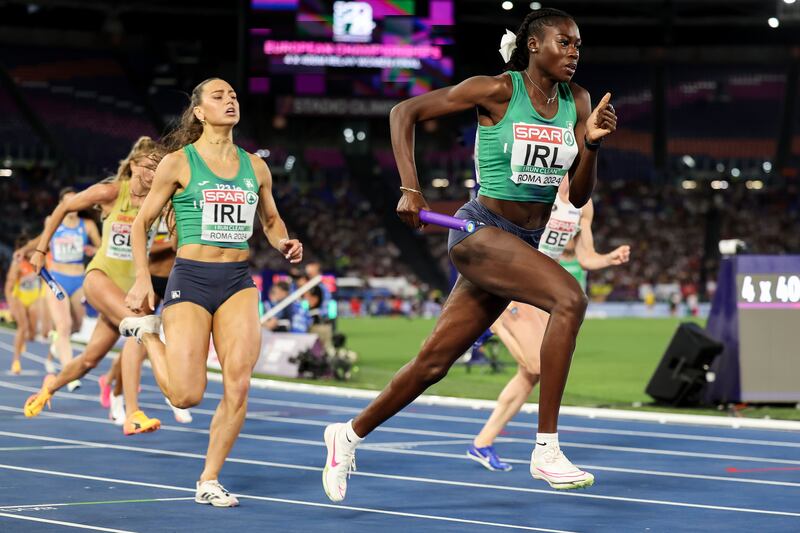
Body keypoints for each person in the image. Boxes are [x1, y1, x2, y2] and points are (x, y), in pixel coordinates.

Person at [321, 7, 616, 501]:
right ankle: (545, 449)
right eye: (563, 43)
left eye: (578, 45)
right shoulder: (498, 90)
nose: (573, 53)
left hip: (523, 242)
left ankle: (347, 435)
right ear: (533, 46)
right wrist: (410, 189)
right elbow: (403, 113)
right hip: (479, 231)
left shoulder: (579, 100)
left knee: (433, 363)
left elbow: (581, 196)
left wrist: (591, 144)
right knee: (570, 299)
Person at [118, 78, 302, 507]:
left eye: (234, 95)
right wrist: (143, 279)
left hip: (238, 282)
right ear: (199, 112)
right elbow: (141, 223)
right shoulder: (180, 163)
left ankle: (209, 478)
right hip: (192, 279)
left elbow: (271, 220)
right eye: (219, 96)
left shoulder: (255, 166)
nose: (230, 100)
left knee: (238, 386)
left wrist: (284, 241)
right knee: (186, 395)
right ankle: (146, 333)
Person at [468, 176, 630, 471]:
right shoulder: (539, 190)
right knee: (538, 365)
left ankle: (482, 443)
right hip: (516, 279)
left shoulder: (582, 205)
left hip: (542, 288)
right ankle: (491, 322)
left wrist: (609, 259)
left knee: (531, 375)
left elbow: (586, 257)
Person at [23, 136, 165, 436]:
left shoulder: (160, 199)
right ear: (135, 167)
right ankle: (132, 413)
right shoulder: (112, 192)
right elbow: (64, 207)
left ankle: (51, 386)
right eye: (151, 167)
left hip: (129, 291)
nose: (156, 173)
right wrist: (40, 249)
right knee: (142, 329)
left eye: (160, 167)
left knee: (89, 359)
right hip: (100, 278)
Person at [16, 187, 102, 390]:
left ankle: (56, 346)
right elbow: (41, 240)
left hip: (79, 280)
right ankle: (69, 373)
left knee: (77, 327)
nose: (72, 206)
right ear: (61, 204)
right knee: (63, 326)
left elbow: (102, 246)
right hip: (57, 278)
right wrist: (25, 249)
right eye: (68, 202)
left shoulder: (87, 225)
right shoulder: (52, 221)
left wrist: (93, 249)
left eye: (75, 201)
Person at [4, 234, 45, 374]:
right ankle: (16, 361)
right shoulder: (17, 263)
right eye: (30, 249)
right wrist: (11, 303)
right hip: (19, 298)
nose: (33, 251)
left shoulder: (37, 260)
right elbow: (8, 286)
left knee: (32, 334)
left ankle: (23, 341)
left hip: (34, 298)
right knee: (23, 327)